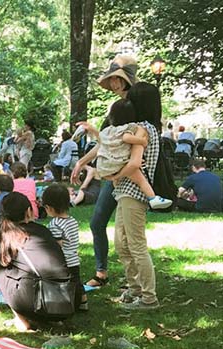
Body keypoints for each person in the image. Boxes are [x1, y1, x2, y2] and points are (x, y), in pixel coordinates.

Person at [79, 82, 162, 310]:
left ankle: (148, 298)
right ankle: (134, 288)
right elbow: (110, 143)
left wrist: (113, 175)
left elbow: (135, 163)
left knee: (135, 244)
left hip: (133, 191)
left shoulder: (142, 128)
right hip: (124, 190)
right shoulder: (138, 127)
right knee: (122, 243)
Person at [70, 54, 138, 288]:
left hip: (129, 174)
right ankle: (102, 273)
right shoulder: (115, 108)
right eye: (112, 79)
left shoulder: (135, 107)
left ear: (127, 79)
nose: (114, 83)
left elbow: (120, 142)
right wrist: (81, 162)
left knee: (127, 233)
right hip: (111, 174)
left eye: (118, 78)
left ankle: (136, 283)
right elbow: (105, 143)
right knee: (98, 222)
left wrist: (93, 131)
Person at [0, 192, 75, 331]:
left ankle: (21, 321)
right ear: (29, 210)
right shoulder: (43, 230)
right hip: (67, 300)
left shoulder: (5, 234)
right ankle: (52, 319)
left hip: (38, 304)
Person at [82, 99, 172, 210]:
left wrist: (91, 129)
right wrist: (142, 141)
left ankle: (117, 186)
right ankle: (152, 198)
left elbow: (101, 138)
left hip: (104, 166)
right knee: (140, 179)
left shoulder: (108, 131)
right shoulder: (128, 128)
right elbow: (126, 138)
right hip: (120, 162)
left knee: (118, 185)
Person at [42, 184, 87, 311]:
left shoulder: (55, 224)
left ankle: (66, 303)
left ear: (48, 207)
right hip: (73, 258)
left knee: (64, 284)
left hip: (63, 260)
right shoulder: (72, 220)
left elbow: (58, 245)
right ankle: (83, 302)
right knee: (77, 282)